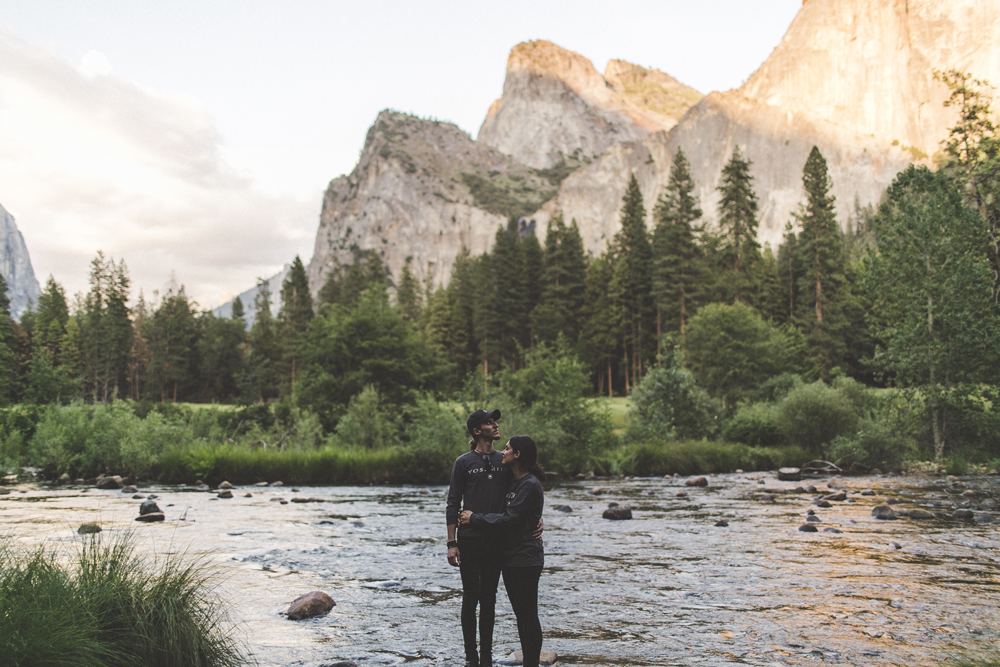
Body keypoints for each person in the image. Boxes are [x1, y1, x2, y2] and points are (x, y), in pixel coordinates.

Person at [459, 436, 545, 667]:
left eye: (506, 449)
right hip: (510, 558)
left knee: (527, 615)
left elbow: (510, 518)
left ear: (517, 455)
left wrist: (473, 518)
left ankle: (532, 663)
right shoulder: (513, 480)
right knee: (521, 615)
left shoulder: (529, 484)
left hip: (526, 559)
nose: (502, 452)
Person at [446, 409, 509, 667]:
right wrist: (452, 544)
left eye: (494, 421)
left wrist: (535, 519)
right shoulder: (463, 462)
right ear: (476, 431)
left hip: (497, 539)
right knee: (471, 596)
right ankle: (471, 656)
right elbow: (452, 503)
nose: (494, 425)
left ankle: (487, 658)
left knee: (490, 597)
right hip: (469, 539)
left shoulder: (504, 459)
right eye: (489, 422)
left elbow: (520, 492)